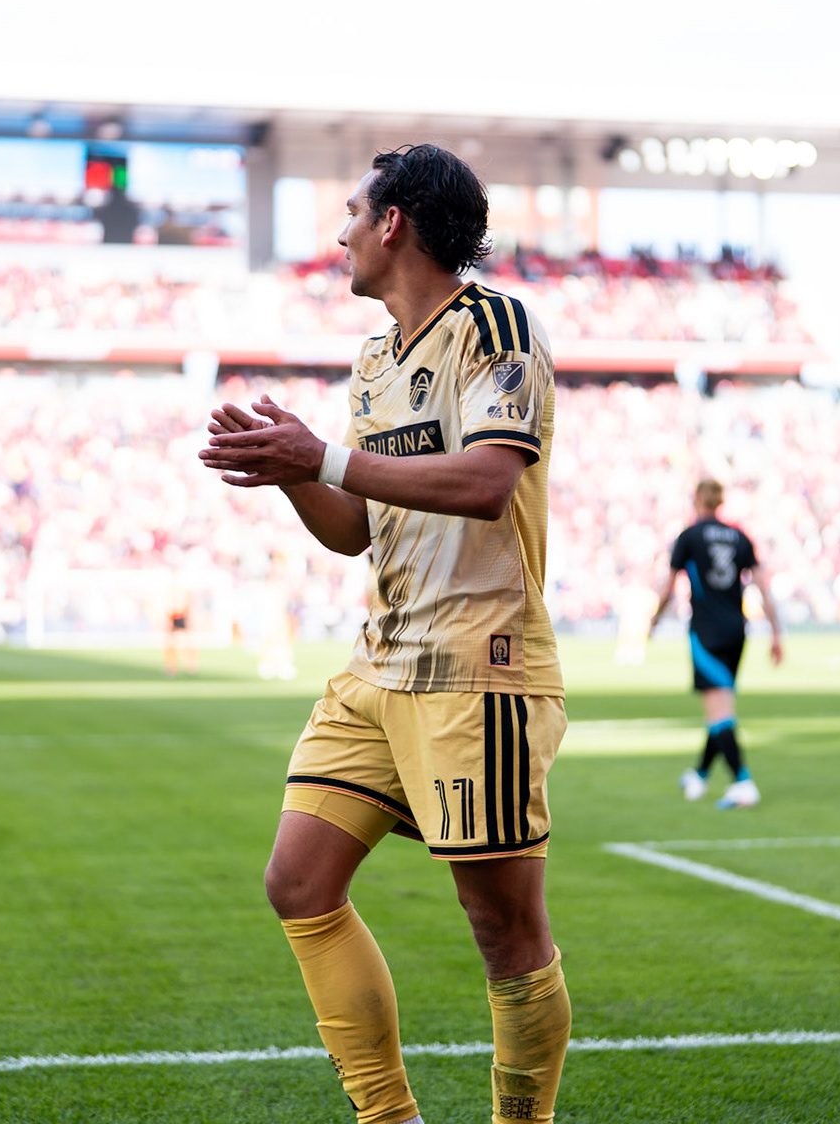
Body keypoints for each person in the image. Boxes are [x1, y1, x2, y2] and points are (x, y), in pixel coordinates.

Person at [201, 144, 569, 1124]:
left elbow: (487, 482)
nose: (341, 235)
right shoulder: (374, 360)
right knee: (298, 880)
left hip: (478, 671)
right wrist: (294, 474)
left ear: (394, 222)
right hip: (382, 665)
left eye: (352, 214)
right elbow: (356, 529)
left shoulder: (495, 326)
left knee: (504, 929)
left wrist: (322, 454)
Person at [649, 479, 782, 808]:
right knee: (720, 705)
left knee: (720, 711)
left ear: (696, 499)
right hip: (738, 631)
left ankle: (743, 782)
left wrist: (653, 619)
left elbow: (669, 586)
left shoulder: (689, 536)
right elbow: (762, 586)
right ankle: (700, 775)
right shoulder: (739, 536)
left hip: (706, 632)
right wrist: (776, 632)